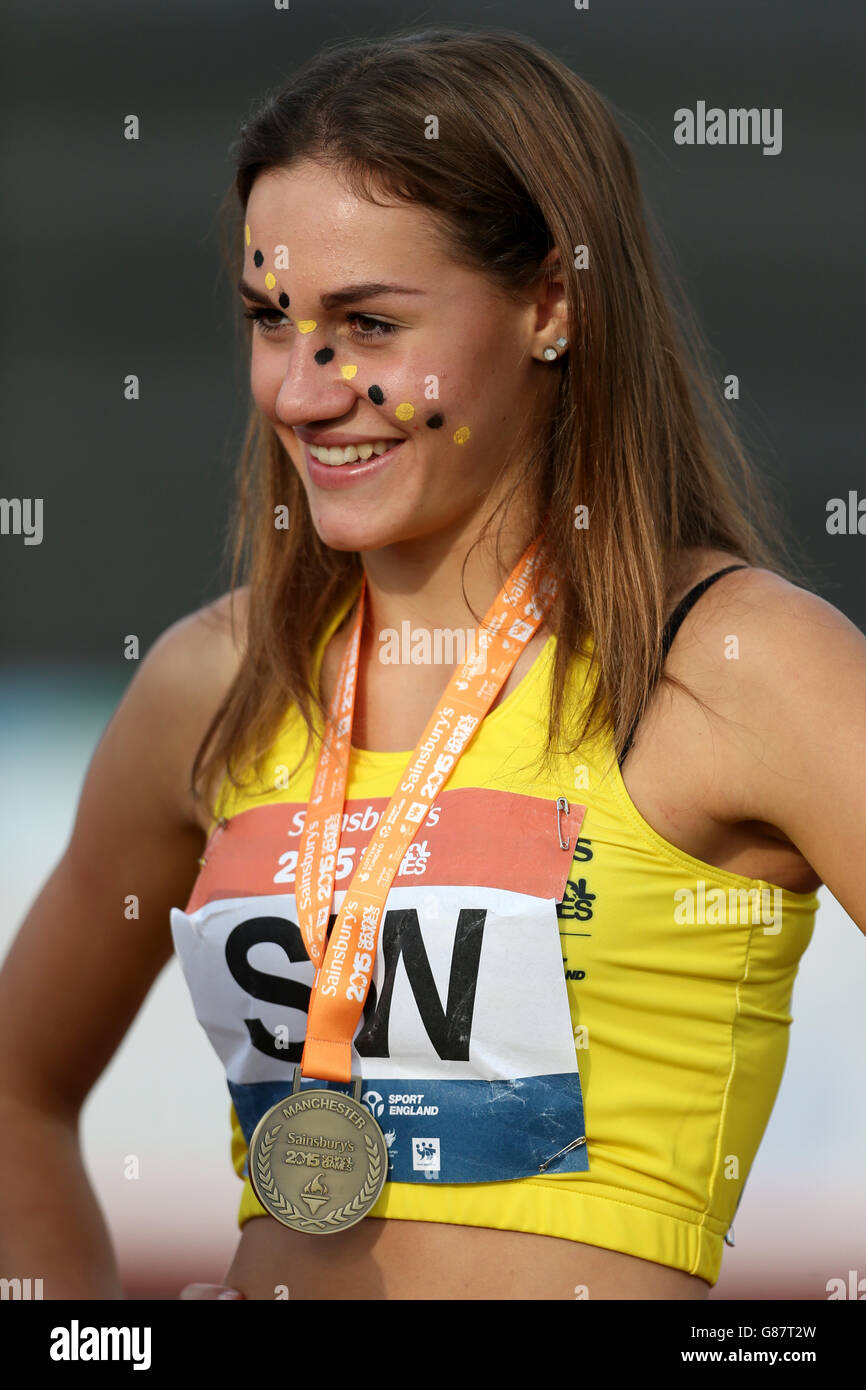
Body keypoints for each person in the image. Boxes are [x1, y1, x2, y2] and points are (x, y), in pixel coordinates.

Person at [1, 26, 864, 1304]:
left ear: (550, 307)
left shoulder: (740, 662)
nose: (301, 390)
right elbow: (19, 1091)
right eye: (270, 321)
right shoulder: (214, 677)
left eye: (367, 323)